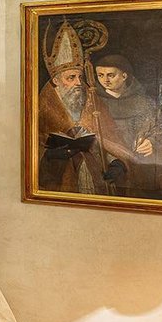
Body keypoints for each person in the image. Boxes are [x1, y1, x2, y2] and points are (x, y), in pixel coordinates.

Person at [37, 20, 136, 195]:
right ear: (56, 81)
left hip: (97, 179)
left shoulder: (93, 102)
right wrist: (49, 156)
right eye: (71, 78)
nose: (78, 83)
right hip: (61, 185)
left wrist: (118, 163)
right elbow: (32, 149)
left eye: (79, 77)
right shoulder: (41, 108)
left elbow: (112, 141)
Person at [94, 53, 162, 198]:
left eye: (111, 75)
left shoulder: (144, 102)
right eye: (100, 75)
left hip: (141, 167)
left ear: (124, 76)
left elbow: (160, 130)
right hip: (109, 166)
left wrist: (152, 142)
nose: (105, 80)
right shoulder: (94, 103)